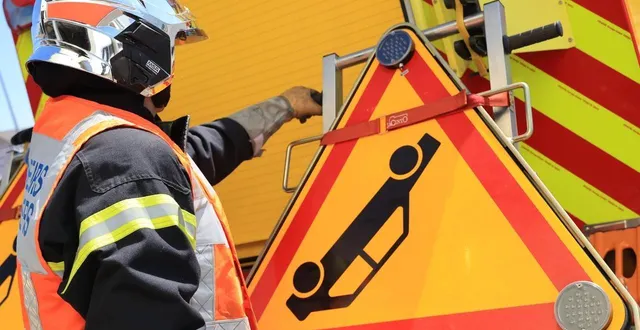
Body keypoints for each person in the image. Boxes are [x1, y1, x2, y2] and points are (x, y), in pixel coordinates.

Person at [15, 1, 322, 329]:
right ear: (132, 44)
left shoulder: (72, 131)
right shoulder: (126, 158)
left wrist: (283, 107)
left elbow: (188, 159)